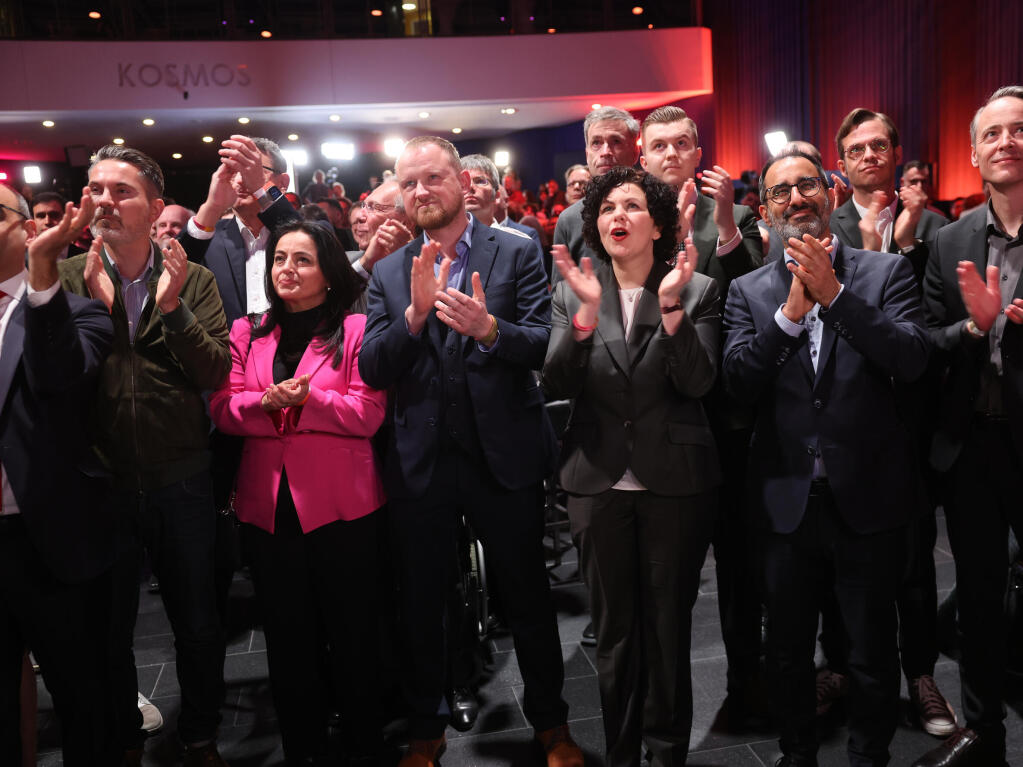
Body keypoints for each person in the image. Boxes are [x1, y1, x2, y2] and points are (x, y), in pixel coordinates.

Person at [359, 136, 582, 767]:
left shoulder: (516, 252)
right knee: (422, 603)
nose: (421, 192)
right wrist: (412, 318)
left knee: (528, 598)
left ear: (461, 180)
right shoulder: (386, 271)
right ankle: (425, 729)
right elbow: (373, 367)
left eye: (432, 178)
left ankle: (551, 725)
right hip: (420, 463)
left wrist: (489, 330)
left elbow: (543, 344)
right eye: (409, 184)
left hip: (502, 455)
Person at [722, 150, 930, 767]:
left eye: (806, 185)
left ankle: (870, 755)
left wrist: (834, 295)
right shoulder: (747, 291)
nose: (796, 198)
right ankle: (796, 753)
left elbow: (912, 358)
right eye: (780, 191)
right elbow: (737, 382)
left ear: (831, 195)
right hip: (784, 500)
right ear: (766, 210)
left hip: (868, 497)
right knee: (786, 650)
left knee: (870, 648)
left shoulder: (885, 273)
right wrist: (790, 314)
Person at [57, 144, 233, 767]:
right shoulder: (68, 279)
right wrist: (103, 311)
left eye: (121, 191)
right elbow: (57, 381)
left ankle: (202, 734)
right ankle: (125, 737)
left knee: (198, 623)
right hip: (99, 483)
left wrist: (171, 305)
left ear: (155, 207)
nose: (105, 201)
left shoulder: (195, 277)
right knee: (109, 631)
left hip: (181, 478)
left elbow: (215, 371)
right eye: (96, 189)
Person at [542, 167, 721, 767]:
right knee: (614, 633)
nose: (618, 216)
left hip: (673, 478)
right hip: (596, 479)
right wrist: (586, 319)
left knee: (668, 629)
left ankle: (666, 752)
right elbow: (556, 381)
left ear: (660, 222)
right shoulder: (573, 291)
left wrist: (670, 304)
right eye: (608, 207)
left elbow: (698, 381)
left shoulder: (697, 288)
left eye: (633, 206)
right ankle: (620, 754)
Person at [210, 220, 386, 766]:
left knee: (353, 636)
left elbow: (369, 415)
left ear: (329, 273)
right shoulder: (247, 331)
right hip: (268, 508)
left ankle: (364, 744)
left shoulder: (358, 328)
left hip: (343, 506)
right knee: (288, 643)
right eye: (280, 258)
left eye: (302, 260)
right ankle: (303, 749)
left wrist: (309, 402)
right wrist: (266, 404)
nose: (287, 268)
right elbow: (222, 409)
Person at [912, 85, 1023, 767]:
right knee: (978, 598)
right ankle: (982, 733)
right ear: (972, 152)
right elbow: (923, 341)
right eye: (993, 133)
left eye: (1019, 129)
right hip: (973, 446)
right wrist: (970, 325)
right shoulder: (946, 239)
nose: (1006, 141)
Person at [0, 184, 117, 766]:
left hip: (45, 537)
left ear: (26, 230)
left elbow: (60, 378)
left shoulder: (77, 311)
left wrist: (44, 274)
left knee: (79, 695)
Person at [830, 109, 948, 284]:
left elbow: (935, 302)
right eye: (856, 150)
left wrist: (908, 245)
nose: (869, 155)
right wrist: (871, 253)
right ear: (842, 168)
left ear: (897, 154)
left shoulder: (937, 227)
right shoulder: (828, 230)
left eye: (880, 145)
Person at [554, 106, 642, 266]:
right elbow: (560, 288)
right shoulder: (569, 220)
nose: (605, 151)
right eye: (596, 143)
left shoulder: (655, 210)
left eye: (616, 142)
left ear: (635, 153)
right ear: (587, 155)